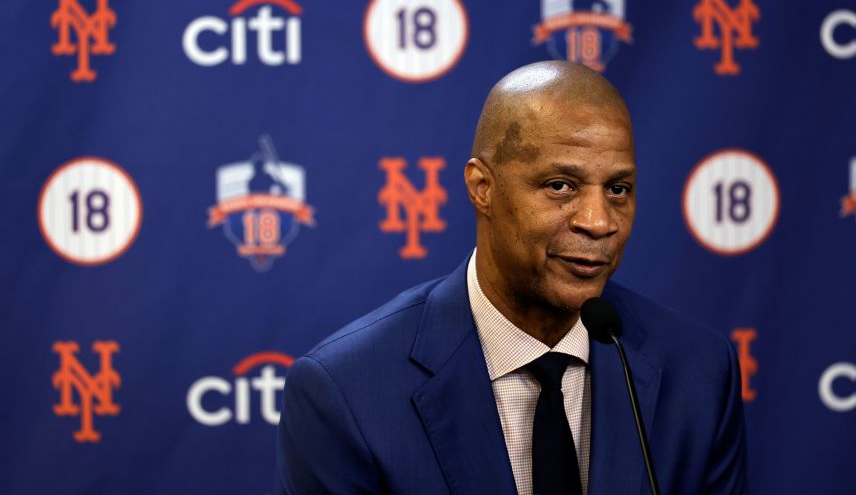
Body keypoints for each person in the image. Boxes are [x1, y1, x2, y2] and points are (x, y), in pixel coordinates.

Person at [276, 61, 748, 494]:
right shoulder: (347, 390)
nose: (599, 221)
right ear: (483, 188)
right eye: (561, 186)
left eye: (618, 189)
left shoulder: (699, 371)